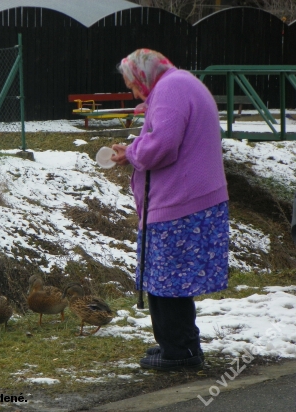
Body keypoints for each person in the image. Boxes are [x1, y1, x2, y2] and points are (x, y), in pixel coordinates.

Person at [111, 49, 229, 371]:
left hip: (182, 204)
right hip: (189, 200)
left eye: (133, 84)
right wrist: (134, 149)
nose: (134, 92)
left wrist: (135, 151)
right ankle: (178, 345)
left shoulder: (170, 89)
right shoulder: (179, 83)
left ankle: (181, 352)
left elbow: (162, 145)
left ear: (143, 75)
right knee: (166, 281)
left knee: (167, 284)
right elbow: (163, 137)